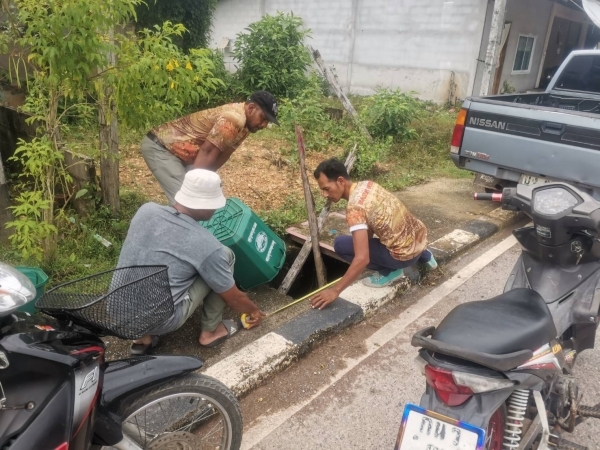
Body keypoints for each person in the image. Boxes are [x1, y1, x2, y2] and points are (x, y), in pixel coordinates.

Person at [117, 169, 266, 355]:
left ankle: (142, 338)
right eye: (214, 203)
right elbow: (234, 298)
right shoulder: (207, 245)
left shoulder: (147, 210)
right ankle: (210, 332)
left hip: (117, 308)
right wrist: (254, 310)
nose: (216, 208)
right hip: (161, 319)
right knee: (225, 256)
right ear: (204, 204)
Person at [310, 158, 437, 310]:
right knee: (393, 228)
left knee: (340, 244)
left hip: (403, 257)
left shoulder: (354, 209)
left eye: (326, 188)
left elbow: (362, 259)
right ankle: (426, 257)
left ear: (340, 181)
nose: (324, 194)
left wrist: (335, 291)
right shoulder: (368, 185)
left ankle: (390, 272)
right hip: (419, 238)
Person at [141, 91, 279, 204]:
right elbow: (208, 152)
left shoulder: (246, 127)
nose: (264, 125)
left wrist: (206, 182)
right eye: (263, 118)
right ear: (251, 108)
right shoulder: (234, 118)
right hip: (161, 148)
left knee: (199, 200)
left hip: (183, 155)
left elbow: (224, 154)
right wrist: (196, 186)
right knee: (185, 203)